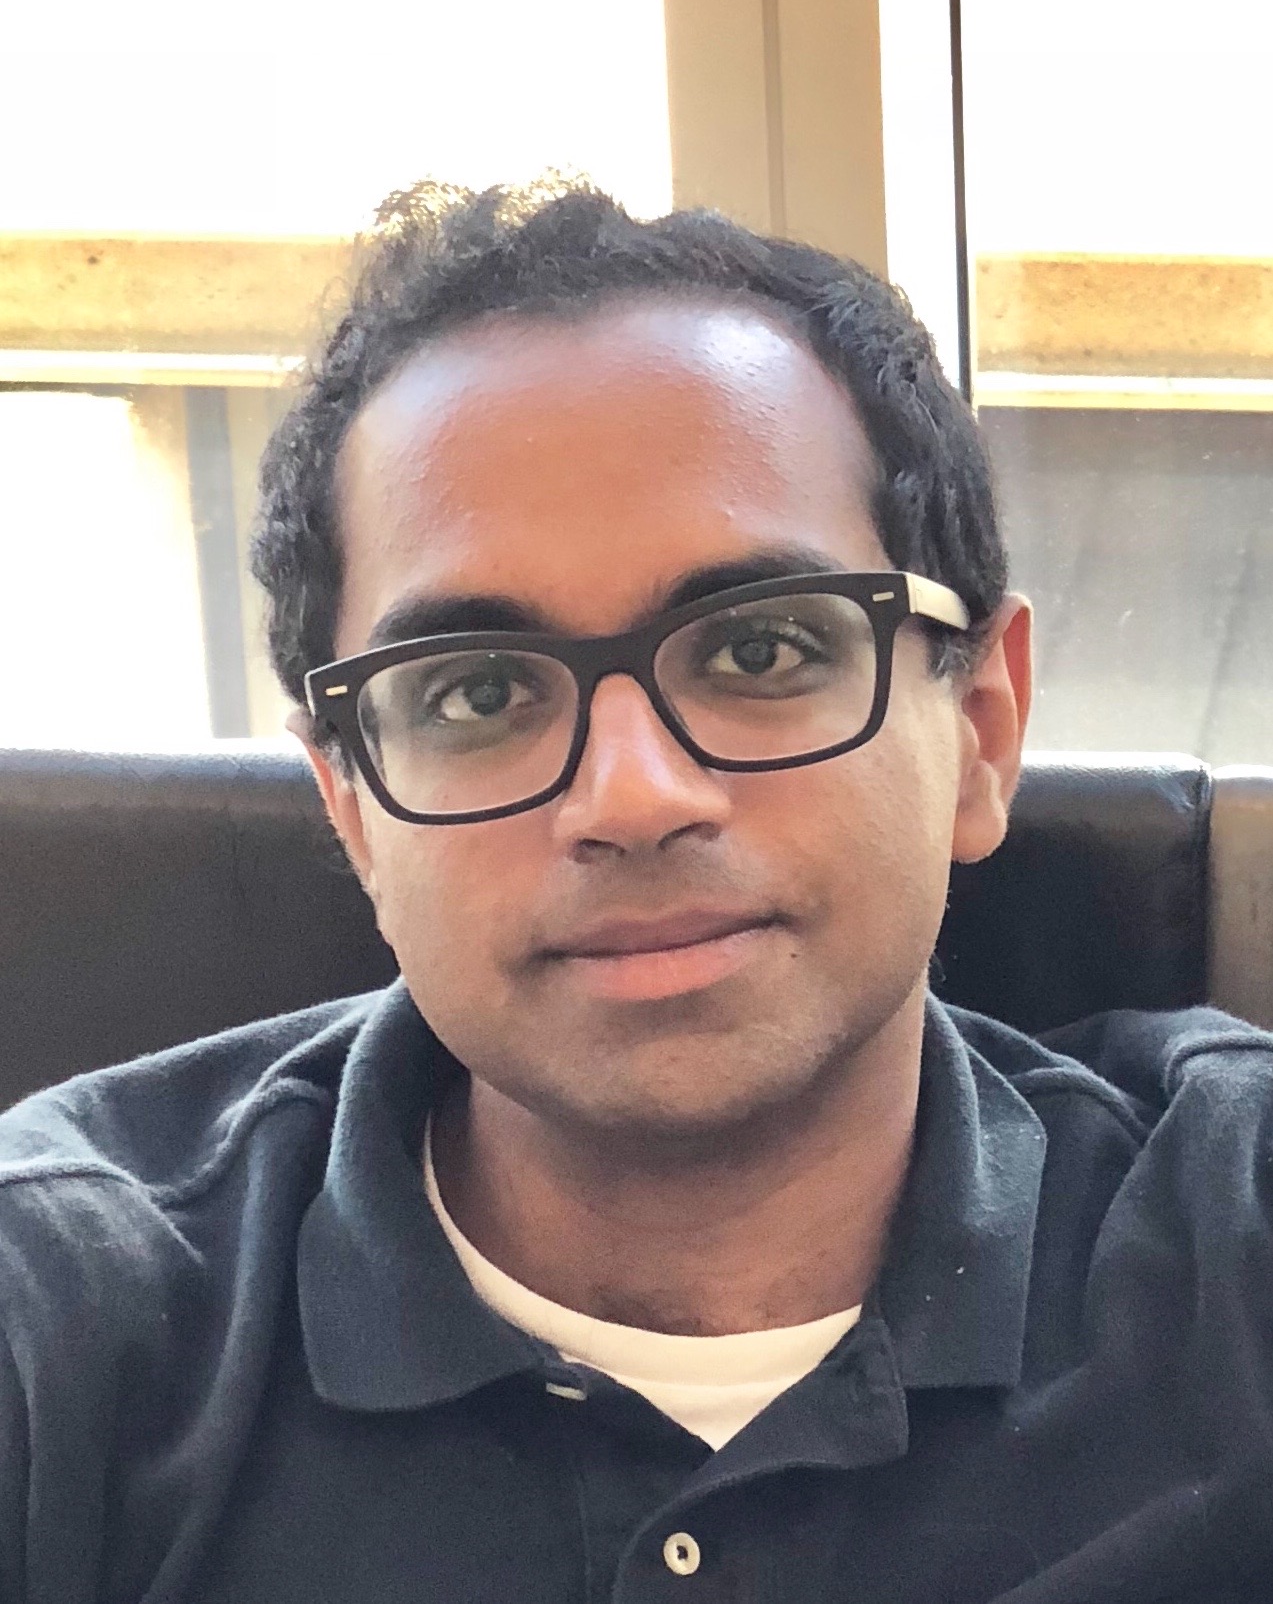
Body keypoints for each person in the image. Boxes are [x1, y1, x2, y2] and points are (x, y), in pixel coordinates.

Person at [1, 179, 1271, 1604]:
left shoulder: (1238, 1243)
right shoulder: (64, 1326)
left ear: (980, 729)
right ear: (351, 808)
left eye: (759, 650)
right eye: (477, 692)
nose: (631, 797)